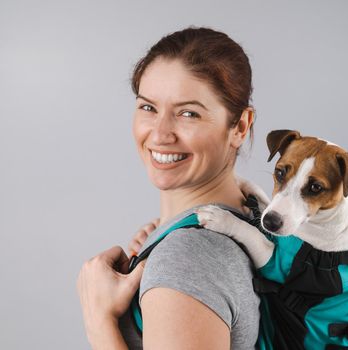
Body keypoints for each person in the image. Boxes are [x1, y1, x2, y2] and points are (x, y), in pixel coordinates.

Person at [76, 26, 261, 349]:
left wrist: (98, 320)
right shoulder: (255, 217)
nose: (161, 134)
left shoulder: (188, 257)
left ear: (240, 126)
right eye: (148, 107)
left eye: (188, 113)